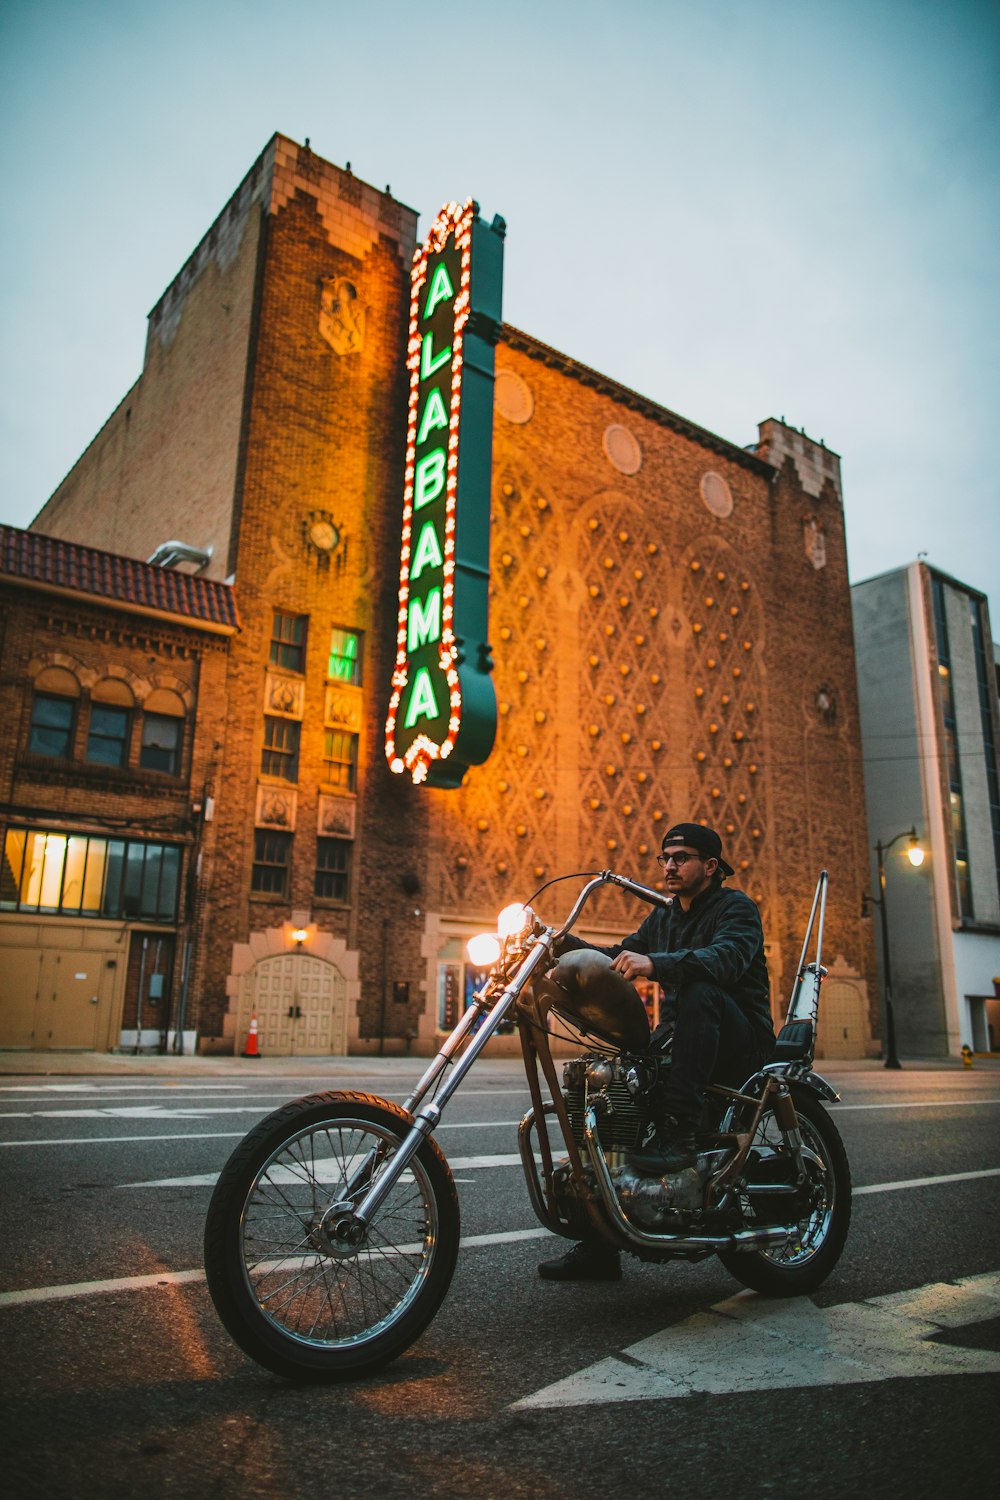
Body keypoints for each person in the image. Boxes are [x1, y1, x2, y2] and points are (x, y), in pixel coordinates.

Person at [538, 821, 775, 1282]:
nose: (669, 865)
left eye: (680, 857)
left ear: (710, 866)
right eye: (665, 858)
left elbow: (724, 961)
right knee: (608, 1082)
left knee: (700, 987)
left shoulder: (737, 909)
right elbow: (618, 957)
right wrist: (559, 943)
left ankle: (680, 1134)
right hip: (681, 1039)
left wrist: (656, 964)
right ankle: (600, 1241)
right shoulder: (664, 917)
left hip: (738, 1041)